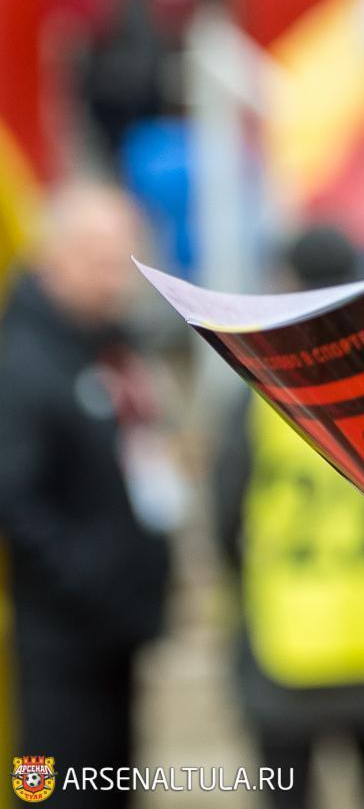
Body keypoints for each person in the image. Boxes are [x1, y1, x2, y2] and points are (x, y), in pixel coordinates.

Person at [212, 226, 364, 809]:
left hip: (292, 641)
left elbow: (225, 513)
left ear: (287, 281)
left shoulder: (262, 385)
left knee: (287, 792)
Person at [0, 181, 173, 805]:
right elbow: (14, 500)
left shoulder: (111, 345)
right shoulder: (23, 361)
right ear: (56, 257)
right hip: (58, 635)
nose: (115, 282)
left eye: (124, 264)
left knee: (111, 781)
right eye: (101, 263)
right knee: (51, 787)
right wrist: (88, 576)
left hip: (115, 625)